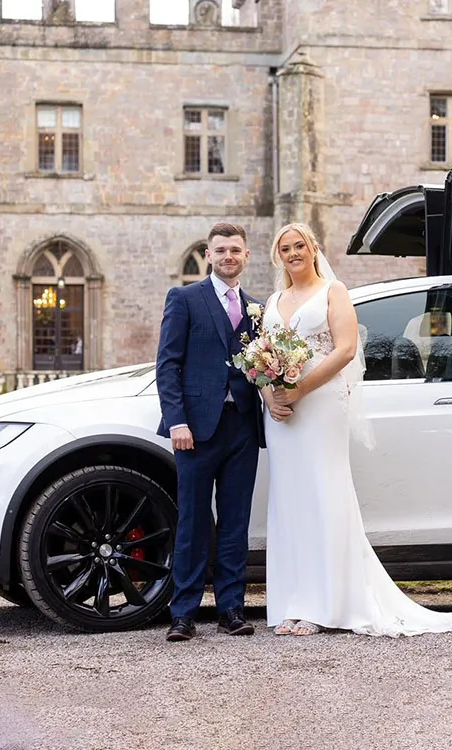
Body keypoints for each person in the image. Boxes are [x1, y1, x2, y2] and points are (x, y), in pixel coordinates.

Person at [260, 223, 452, 637]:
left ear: (314, 249)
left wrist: (297, 389)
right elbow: (261, 358)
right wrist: (271, 396)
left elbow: (347, 349)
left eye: (300, 245)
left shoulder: (334, 292)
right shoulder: (275, 300)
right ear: (279, 255)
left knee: (322, 497)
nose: (293, 252)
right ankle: (293, 602)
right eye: (285, 248)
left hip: (320, 406)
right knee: (289, 504)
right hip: (282, 415)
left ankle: (325, 605)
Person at [155, 222, 290, 642]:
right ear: (208, 255)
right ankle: (184, 613)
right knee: (194, 521)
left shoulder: (255, 308)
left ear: (247, 256)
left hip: (243, 429)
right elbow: (168, 364)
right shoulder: (185, 298)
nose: (229, 256)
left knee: (235, 522)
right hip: (195, 429)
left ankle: (232, 608)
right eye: (221, 250)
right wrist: (177, 421)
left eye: (236, 250)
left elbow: (264, 369)